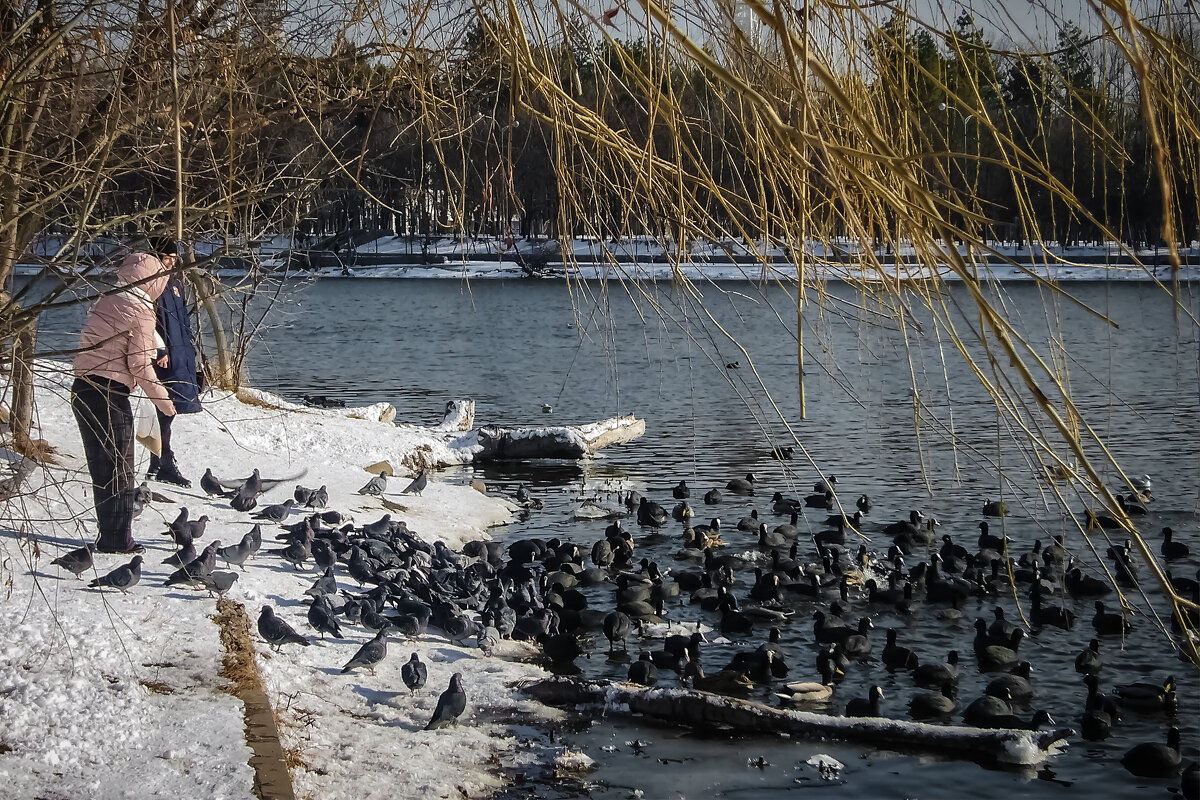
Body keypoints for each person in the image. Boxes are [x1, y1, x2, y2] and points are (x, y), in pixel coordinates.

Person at [72, 241, 177, 554]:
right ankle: (118, 540)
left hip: (83, 389)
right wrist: (165, 402)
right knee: (119, 469)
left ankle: (110, 536)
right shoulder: (141, 309)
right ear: (154, 279)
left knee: (102, 468)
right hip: (109, 395)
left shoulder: (109, 299)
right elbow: (139, 364)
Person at [146, 240, 201, 487]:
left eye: (173, 258)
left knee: (172, 407)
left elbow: (183, 322)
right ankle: (163, 459)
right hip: (161, 355)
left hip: (180, 354)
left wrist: (191, 350)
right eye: (166, 257)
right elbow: (145, 322)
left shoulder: (175, 284)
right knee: (162, 406)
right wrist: (158, 350)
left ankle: (158, 458)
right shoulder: (150, 284)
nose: (171, 262)